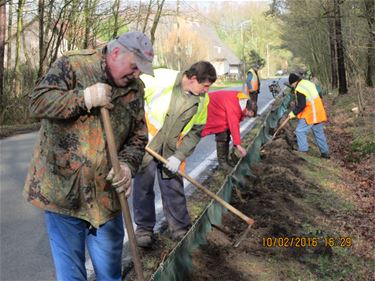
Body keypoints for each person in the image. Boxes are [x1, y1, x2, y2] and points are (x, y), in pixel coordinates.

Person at [23, 31, 154, 281]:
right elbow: (37, 103)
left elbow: (138, 136)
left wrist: (127, 165)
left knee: (109, 274)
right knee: (71, 275)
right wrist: (83, 98)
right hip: (64, 193)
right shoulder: (74, 65)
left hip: (107, 196)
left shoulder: (135, 89)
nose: (136, 75)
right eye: (135, 67)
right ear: (116, 53)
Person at [133, 62, 217, 248]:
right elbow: (131, 95)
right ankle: (144, 230)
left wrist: (179, 156)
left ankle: (179, 229)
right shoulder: (161, 79)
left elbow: (196, 131)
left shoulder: (203, 100)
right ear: (193, 79)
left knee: (173, 186)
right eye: (204, 86)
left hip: (172, 148)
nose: (206, 91)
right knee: (143, 188)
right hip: (146, 142)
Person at [201, 90, 254, 170]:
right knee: (222, 135)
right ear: (247, 109)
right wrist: (238, 145)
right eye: (248, 115)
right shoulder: (235, 106)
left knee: (226, 133)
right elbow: (234, 124)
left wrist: (236, 144)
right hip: (211, 108)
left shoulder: (242, 100)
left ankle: (225, 160)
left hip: (218, 108)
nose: (246, 117)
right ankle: (223, 163)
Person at [288, 73, 330, 158]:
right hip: (318, 111)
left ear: (294, 82)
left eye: (292, 85)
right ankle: (325, 154)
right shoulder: (307, 83)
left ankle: (303, 151)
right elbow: (319, 94)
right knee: (319, 133)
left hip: (311, 113)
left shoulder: (300, 89)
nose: (292, 87)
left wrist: (293, 113)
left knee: (299, 131)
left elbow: (301, 105)